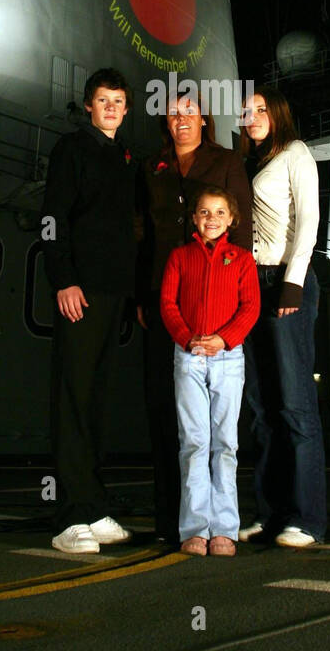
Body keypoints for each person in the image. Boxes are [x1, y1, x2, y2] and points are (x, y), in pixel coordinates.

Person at [136, 95, 252, 544]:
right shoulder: (153, 166)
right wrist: (143, 296)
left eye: (189, 112)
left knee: (221, 436)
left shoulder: (226, 161)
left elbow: (240, 228)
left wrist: (229, 323)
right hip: (169, 300)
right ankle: (178, 521)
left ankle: (222, 526)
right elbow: (143, 230)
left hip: (219, 313)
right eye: (173, 113)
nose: (181, 120)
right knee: (174, 419)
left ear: (204, 118)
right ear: (166, 120)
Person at [41, 67, 137, 554]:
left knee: (97, 402)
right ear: (88, 106)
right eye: (104, 101)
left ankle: (93, 506)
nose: (112, 108)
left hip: (113, 295)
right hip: (80, 293)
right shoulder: (72, 149)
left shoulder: (123, 157)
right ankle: (68, 516)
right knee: (73, 399)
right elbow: (53, 218)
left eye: (119, 101)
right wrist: (64, 278)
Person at [238, 86, 326, 548]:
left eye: (260, 110)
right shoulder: (249, 161)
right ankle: (269, 514)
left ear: (278, 114)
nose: (251, 116)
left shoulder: (296, 152)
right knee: (260, 407)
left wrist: (293, 280)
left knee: (295, 404)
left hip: (285, 281)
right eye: (246, 111)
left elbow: (309, 219)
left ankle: (307, 519)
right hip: (251, 284)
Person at [160, 189, 260, 556]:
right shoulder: (180, 257)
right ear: (194, 219)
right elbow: (168, 303)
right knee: (194, 443)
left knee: (225, 444)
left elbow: (250, 307)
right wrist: (187, 339)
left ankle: (224, 530)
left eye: (220, 212)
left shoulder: (243, 260)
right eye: (204, 212)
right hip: (188, 357)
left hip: (228, 358)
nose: (211, 218)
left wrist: (225, 339)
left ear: (232, 219)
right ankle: (196, 528)